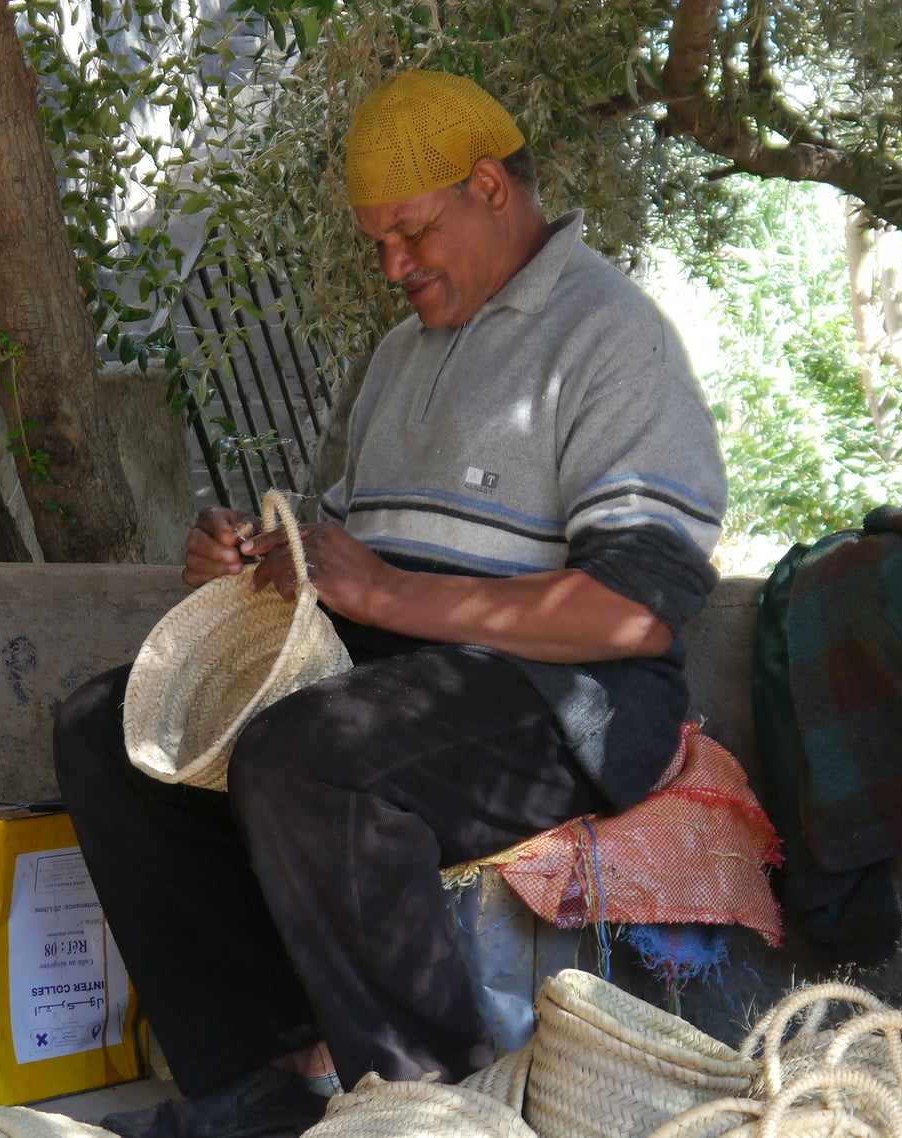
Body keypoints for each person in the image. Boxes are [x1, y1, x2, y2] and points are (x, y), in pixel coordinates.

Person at [52, 69, 726, 1138]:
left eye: (409, 233)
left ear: (491, 188)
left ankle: (429, 1104)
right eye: (376, 245)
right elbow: (345, 560)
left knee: (308, 754)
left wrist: (387, 593)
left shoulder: (610, 334)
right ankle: (257, 1088)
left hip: (568, 697)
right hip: (409, 672)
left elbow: (633, 612)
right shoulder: (399, 356)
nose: (392, 266)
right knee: (112, 726)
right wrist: (258, 563)